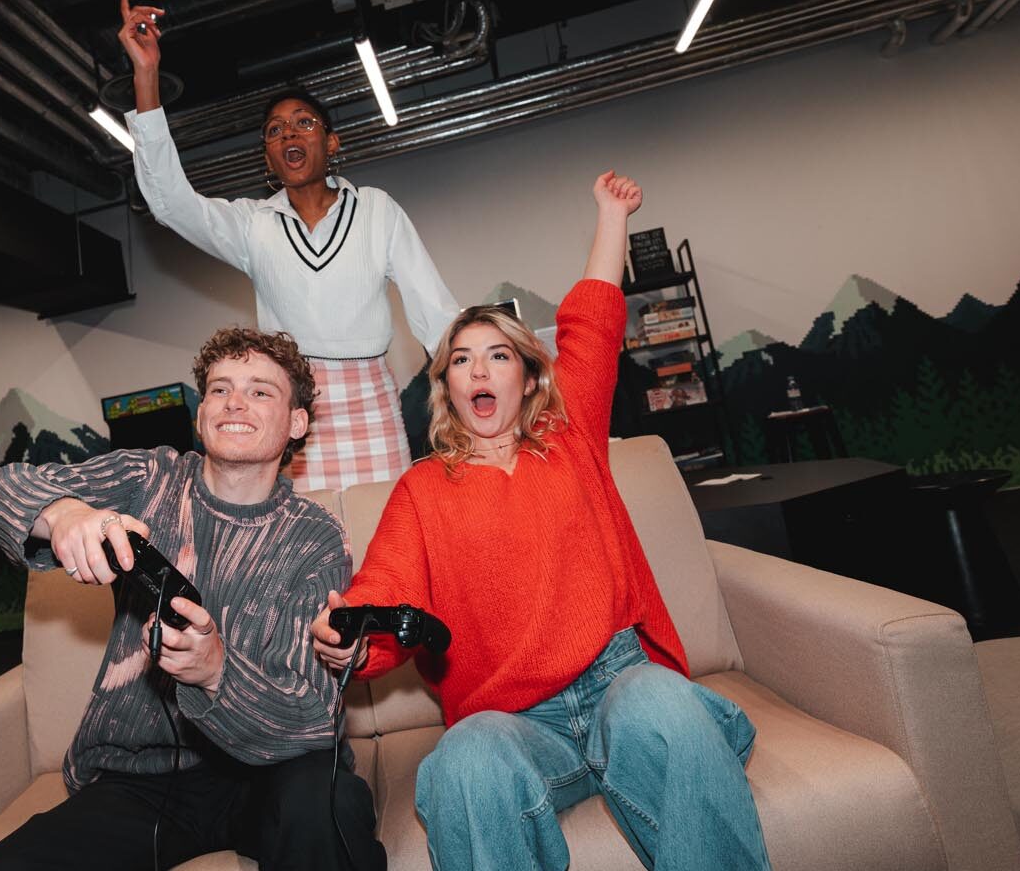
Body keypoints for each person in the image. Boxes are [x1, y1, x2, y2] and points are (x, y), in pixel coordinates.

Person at [308, 172, 771, 871]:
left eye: (498, 355)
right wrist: (350, 644)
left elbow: (592, 324)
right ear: (448, 389)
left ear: (528, 377)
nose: (478, 370)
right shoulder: (423, 489)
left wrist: (611, 215)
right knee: (465, 761)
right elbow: (383, 590)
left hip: (623, 686)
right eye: (460, 361)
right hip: (513, 726)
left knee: (667, 709)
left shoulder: (571, 437)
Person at [0, 327, 384, 871]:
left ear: (297, 422)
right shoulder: (152, 478)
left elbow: (310, 713)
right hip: (141, 777)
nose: (235, 401)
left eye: (261, 391)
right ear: (200, 413)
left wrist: (216, 671)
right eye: (219, 389)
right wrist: (67, 514)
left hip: (274, 772)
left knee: (330, 803)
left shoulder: (315, 536)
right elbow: (1, 490)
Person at [116, 0, 459, 491]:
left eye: (303, 124)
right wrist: (147, 76)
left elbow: (437, 315)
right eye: (275, 131)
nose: (289, 135)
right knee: (308, 551)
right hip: (293, 409)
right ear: (268, 158)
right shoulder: (253, 224)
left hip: (373, 406)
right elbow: (168, 201)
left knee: (386, 537)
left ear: (331, 141)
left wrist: (480, 382)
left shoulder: (377, 210)